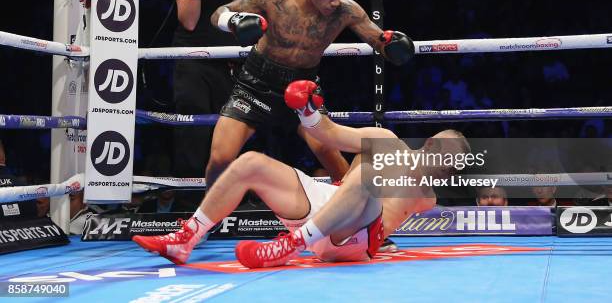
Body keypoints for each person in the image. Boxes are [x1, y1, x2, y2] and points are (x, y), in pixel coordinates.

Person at [133, 80, 468, 267]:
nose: (442, 163)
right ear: (429, 144)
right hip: (331, 206)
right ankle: (187, 238)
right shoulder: (386, 141)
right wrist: (307, 111)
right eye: (443, 153)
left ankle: (291, 244)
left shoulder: (427, 197)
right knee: (250, 162)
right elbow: (331, 134)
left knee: (368, 172)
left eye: (449, 163)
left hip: (352, 238)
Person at [205, 0, 415, 187]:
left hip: (302, 89)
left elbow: (378, 39)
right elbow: (218, 13)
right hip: (255, 83)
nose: (336, 2)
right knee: (220, 158)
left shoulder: (346, 11)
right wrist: (233, 21)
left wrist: (393, 45)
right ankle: (209, 217)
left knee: (332, 159)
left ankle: (351, 218)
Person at [172, 0, 255, 178]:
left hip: (231, 63)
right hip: (193, 60)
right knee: (193, 124)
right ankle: (190, 193)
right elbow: (189, 21)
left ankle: (231, 193)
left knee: (234, 129)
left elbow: (248, 15)